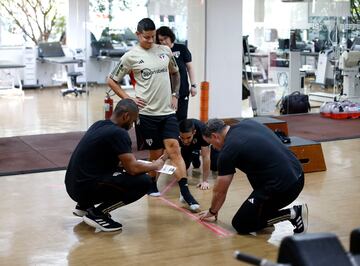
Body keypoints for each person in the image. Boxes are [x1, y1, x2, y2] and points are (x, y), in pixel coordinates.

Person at [107, 18, 200, 211]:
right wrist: (128, 99)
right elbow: (111, 80)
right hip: (147, 114)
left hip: (167, 112)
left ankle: (185, 192)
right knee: (155, 154)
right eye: (146, 37)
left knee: (174, 150)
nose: (150, 40)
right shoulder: (130, 56)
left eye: (152, 36)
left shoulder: (165, 51)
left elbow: (176, 73)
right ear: (138, 34)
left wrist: (175, 94)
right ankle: (151, 183)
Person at [65, 99, 167, 232]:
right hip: (85, 188)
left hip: (73, 185)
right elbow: (133, 169)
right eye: (133, 121)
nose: (132, 125)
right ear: (126, 116)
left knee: (118, 169)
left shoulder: (99, 125)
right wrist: (156, 165)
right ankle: (98, 214)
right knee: (144, 182)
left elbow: (104, 158)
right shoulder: (119, 133)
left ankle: (84, 206)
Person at [199, 119, 308, 234]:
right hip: (298, 174)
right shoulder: (248, 123)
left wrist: (212, 211)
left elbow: (220, 191)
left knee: (241, 224)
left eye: (211, 144)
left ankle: (294, 214)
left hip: (285, 188)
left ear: (215, 136)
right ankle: (266, 217)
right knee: (256, 206)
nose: (214, 148)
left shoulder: (228, 150)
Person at [156, 26, 197, 122]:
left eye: (165, 38)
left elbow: (190, 68)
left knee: (181, 118)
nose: (163, 42)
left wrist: (194, 85)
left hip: (182, 90)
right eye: (161, 40)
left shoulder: (181, 48)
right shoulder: (159, 52)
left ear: (171, 37)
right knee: (168, 119)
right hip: (166, 92)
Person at [179, 119, 213, 190]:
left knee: (215, 166)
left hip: (200, 142)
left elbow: (206, 156)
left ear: (194, 132)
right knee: (185, 166)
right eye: (182, 138)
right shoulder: (175, 132)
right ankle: (195, 153)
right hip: (189, 146)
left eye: (188, 137)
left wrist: (205, 181)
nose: (185, 141)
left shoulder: (203, 131)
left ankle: (196, 151)